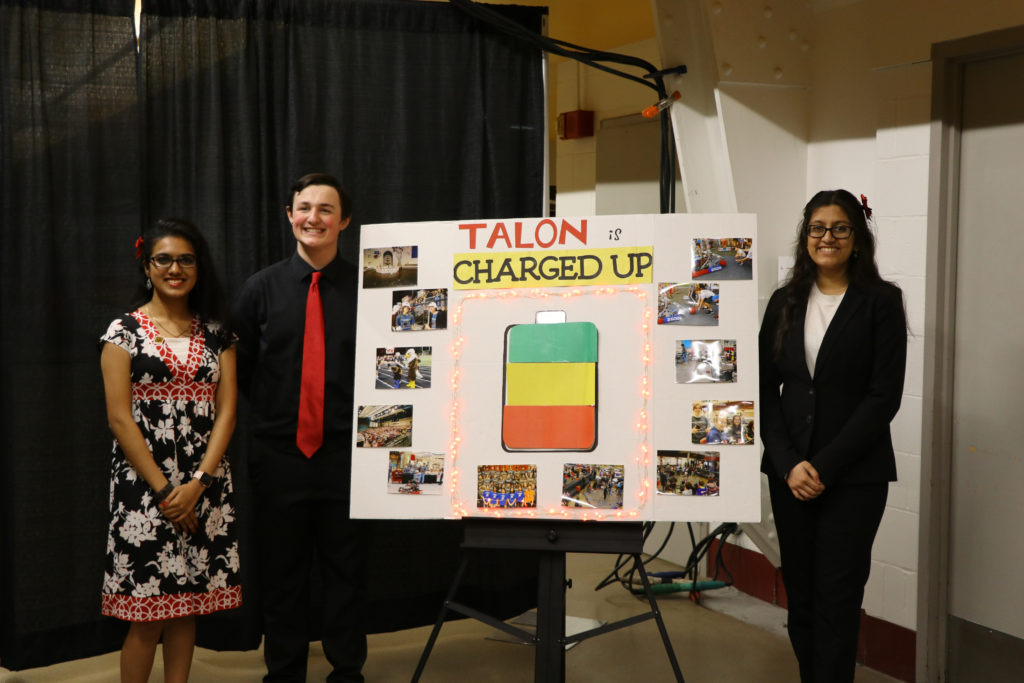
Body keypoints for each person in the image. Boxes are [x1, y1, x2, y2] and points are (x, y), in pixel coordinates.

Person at [759, 189, 907, 683]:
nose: (828, 238)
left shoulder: (882, 303)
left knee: (838, 600)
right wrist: (787, 463)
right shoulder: (784, 302)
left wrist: (823, 466)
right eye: (818, 228)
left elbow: (883, 398)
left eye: (840, 228)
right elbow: (763, 389)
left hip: (854, 477)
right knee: (801, 597)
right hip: (790, 474)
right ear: (806, 238)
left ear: (858, 238)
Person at [232, 173, 367, 682]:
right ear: (289, 216)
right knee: (283, 574)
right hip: (279, 455)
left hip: (348, 454)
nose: (314, 217)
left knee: (346, 573)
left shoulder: (369, 289)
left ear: (344, 221)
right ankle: (285, 672)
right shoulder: (259, 289)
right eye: (304, 207)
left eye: (326, 209)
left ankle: (347, 670)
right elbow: (240, 370)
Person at [99, 218, 241, 683]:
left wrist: (198, 483)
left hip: (205, 486)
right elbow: (120, 417)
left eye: (185, 259)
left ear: (198, 268)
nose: (175, 268)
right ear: (147, 265)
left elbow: (227, 413)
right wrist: (165, 492)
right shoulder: (123, 332)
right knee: (147, 614)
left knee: (186, 606)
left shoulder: (218, 333)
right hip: (145, 491)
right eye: (164, 259)